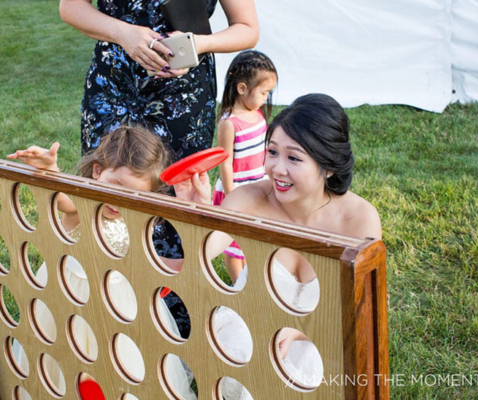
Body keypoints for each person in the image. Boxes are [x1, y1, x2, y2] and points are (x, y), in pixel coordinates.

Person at [7, 126, 209, 399]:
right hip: (68, 299)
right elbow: (61, 199)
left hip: (120, 306)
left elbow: (149, 262)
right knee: (62, 365)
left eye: (134, 195)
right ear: (97, 171)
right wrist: (49, 171)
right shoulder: (83, 204)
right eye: (116, 187)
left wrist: (197, 209)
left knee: (125, 369)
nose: (120, 201)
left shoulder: (138, 221)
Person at [206, 93, 382, 396]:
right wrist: (192, 213)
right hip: (249, 330)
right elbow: (202, 250)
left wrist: (300, 331)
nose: (277, 169)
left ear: (328, 167)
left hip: (324, 337)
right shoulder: (250, 199)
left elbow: (362, 309)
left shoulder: (359, 220)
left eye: (294, 158)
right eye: (272, 152)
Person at [59, 0, 260, 161]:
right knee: (105, 186)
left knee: (178, 195)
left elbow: (247, 28)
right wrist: (123, 33)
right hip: (114, 87)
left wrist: (198, 44)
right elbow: (70, 7)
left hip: (184, 96)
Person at [212, 50, 277, 285]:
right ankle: (238, 282)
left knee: (251, 239)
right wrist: (233, 196)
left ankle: (249, 279)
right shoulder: (230, 123)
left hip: (256, 187)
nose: (265, 98)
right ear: (242, 89)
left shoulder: (256, 114)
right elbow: (225, 162)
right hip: (237, 191)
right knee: (233, 244)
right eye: (263, 92)